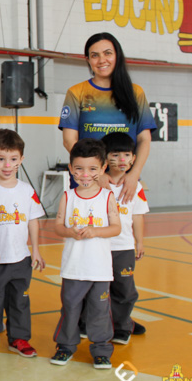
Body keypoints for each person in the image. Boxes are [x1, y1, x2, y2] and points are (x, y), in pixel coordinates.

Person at [59, 32, 156, 204]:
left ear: (117, 55)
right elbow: (69, 140)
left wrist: (134, 174)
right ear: (88, 60)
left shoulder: (136, 93)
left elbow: (144, 140)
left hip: (125, 182)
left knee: (127, 222)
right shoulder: (76, 93)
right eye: (95, 55)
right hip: (88, 180)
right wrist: (97, 173)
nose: (102, 60)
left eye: (107, 53)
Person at [51, 139, 121, 369]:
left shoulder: (107, 197)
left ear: (103, 168)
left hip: (100, 269)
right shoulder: (68, 196)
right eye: (79, 168)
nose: (85, 174)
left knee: (100, 311)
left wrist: (95, 231)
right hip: (74, 268)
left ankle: (101, 350)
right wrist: (70, 232)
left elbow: (116, 228)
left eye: (92, 169)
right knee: (70, 309)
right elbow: (58, 227)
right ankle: (65, 347)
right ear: (71, 168)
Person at [0, 129, 45, 359]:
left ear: (21, 159)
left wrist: (35, 250)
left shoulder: (27, 191)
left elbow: (33, 221)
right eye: (1, 159)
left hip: (21, 259)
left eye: (13, 159)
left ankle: (19, 338)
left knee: (20, 300)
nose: (7, 165)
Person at [101, 132, 149, 344]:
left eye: (127, 155)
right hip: (99, 246)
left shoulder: (136, 187)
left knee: (124, 288)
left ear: (133, 158)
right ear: (105, 157)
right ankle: (90, 323)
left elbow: (137, 216)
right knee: (97, 288)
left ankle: (121, 326)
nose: (122, 160)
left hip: (124, 248)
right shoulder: (96, 184)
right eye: (115, 154)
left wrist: (139, 242)